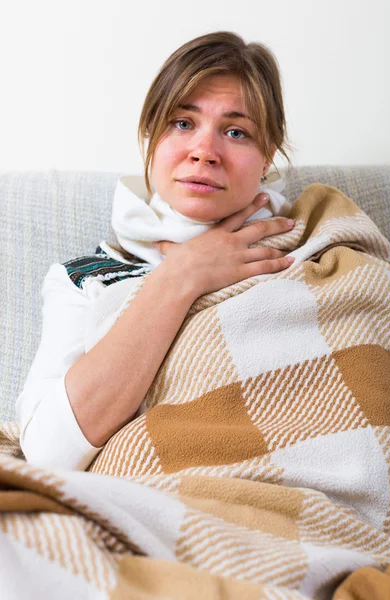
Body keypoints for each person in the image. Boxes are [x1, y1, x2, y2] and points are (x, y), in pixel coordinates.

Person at [16, 31, 297, 471]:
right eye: (183, 123)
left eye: (236, 131)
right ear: (151, 136)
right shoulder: (83, 277)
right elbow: (48, 452)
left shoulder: (318, 244)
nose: (204, 152)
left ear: (268, 158)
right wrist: (182, 274)